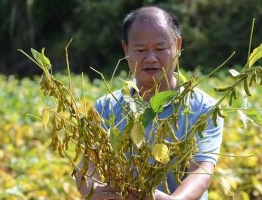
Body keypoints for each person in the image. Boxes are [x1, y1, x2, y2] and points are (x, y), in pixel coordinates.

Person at [76, 5, 223, 200]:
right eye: (140, 49)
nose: (151, 58)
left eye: (161, 48)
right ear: (126, 49)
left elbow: (202, 171)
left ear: (178, 46)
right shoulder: (105, 108)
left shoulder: (204, 108)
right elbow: (86, 167)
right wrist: (93, 189)